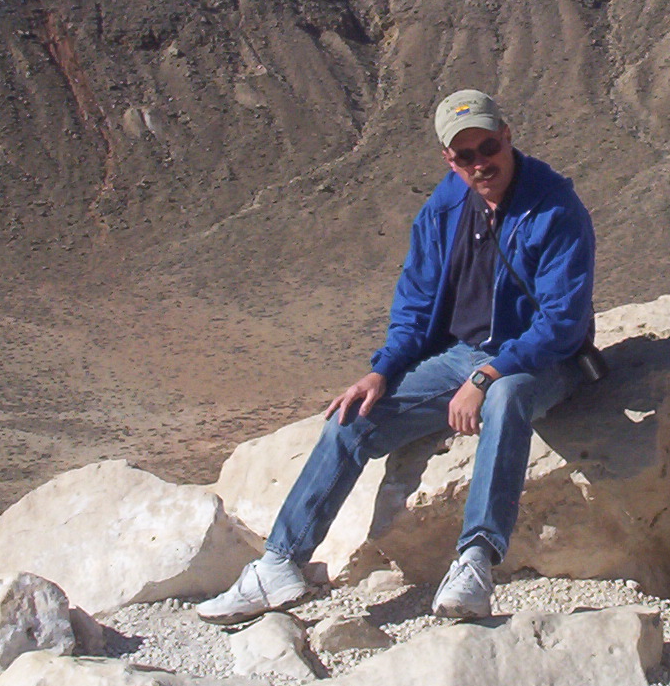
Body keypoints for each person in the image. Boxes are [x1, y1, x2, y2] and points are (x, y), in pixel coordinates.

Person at [198, 89, 596, 623]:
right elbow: (415, 302)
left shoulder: (554, 206)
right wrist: (381, 371)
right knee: (351, 419)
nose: (480, 163)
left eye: (487, 147)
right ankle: (281, 562)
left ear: (507, 137)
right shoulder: (445, 208)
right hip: (462, 354)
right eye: (464, 156)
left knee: (506, 398)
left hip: (540, 361)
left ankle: (475, 559)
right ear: (447, 159)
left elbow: (561, 322)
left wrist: (488, 373)